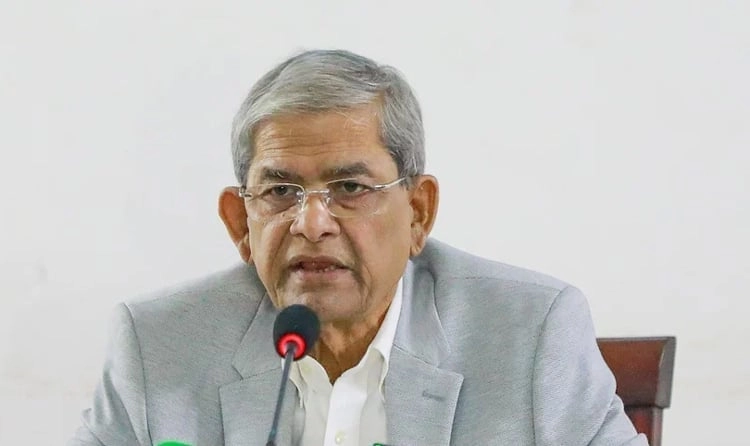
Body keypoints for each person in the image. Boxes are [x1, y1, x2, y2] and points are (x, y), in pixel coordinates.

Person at [69, 49, 647, 446]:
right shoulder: (157, 345)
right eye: (280, 191)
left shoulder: (531, 334)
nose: (311, 223)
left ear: (418, 212)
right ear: (240, 223)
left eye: (349, 188)